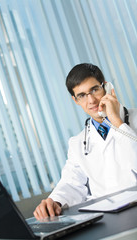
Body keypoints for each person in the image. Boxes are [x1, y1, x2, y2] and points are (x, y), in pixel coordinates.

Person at [33, 63, 137, 220]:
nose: (91, 101)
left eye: (94, 90)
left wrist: (116, 121)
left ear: (107, 87)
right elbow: (71, 182)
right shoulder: (77, 142)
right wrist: (54, 201)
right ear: (75, 100)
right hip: (107, 218)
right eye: (82, 95)